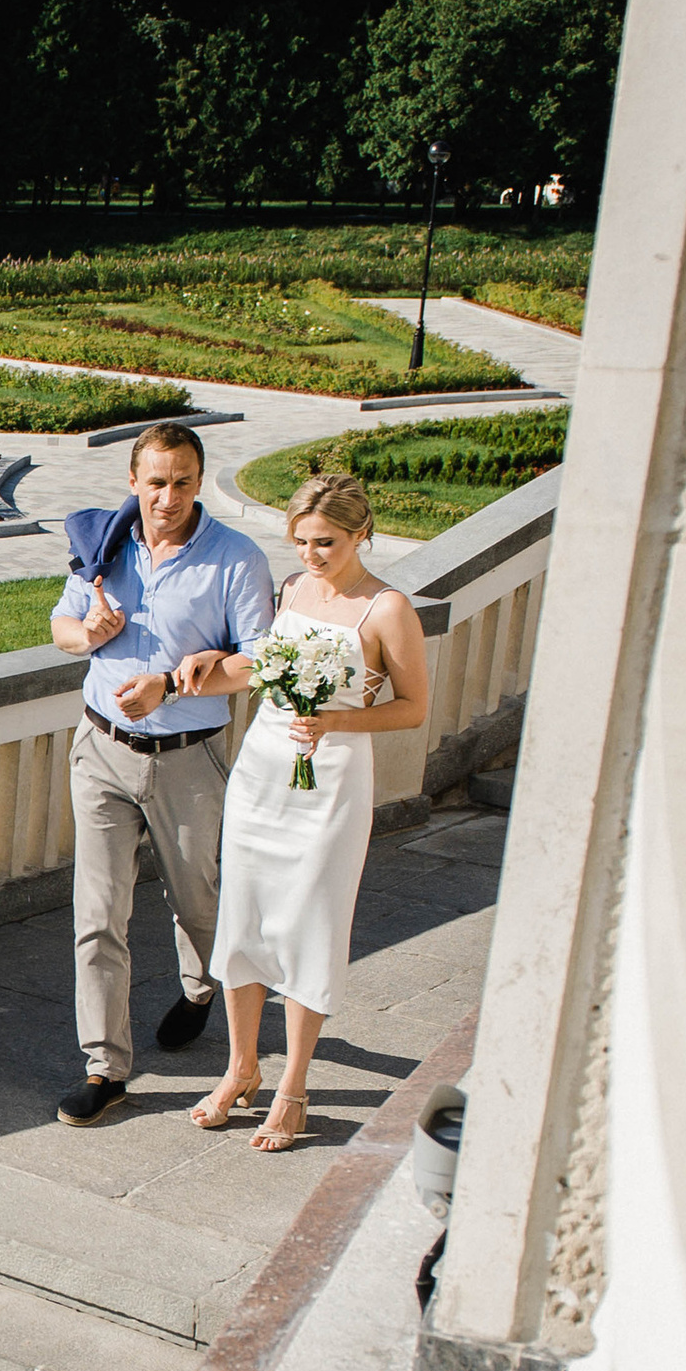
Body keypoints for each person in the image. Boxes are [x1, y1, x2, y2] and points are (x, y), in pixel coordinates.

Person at [177, 469, 431, 1153]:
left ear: (360, 533)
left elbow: (413, 708)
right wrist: (208, 663)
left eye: (326, 542)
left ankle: (293, 1086)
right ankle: (241, 1067)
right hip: (263, 770)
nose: (311, 554)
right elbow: (258, 670)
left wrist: (336, 722)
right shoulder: (291, 590)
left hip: (332, 782)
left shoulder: (387, 609)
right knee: (245, 915)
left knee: (309, 923)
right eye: (301, 541)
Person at [50, 420, 277, 1128]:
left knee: (198, 903)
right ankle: (105, 1067)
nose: (168, 498)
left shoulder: (236, 559)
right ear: (133, 481)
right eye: (155, 483)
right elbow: (61, 626)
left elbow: (260, 661)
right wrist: (88, 634)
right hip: (101, 752)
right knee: (98, 916)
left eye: (182, 483)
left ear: (199, 482)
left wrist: (172, 686)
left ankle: (202, 988)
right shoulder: (105, 544)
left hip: (188, 759)